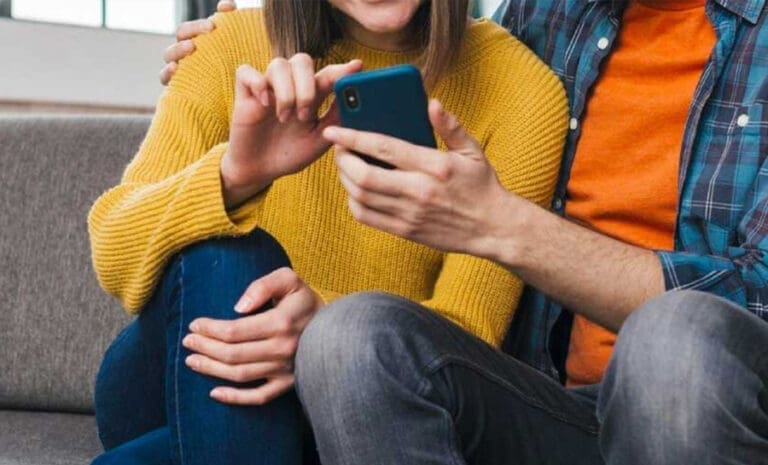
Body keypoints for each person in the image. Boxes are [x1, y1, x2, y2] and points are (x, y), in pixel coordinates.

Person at [164, 0, 768, 464]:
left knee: (672, 338)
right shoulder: (547, 14)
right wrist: (241, 41)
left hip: (715, 408)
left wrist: (503, 227)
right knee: (348, 334)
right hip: (543, 409)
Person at [89, 0, 569, 464]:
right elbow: (113, 244)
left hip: (356, 408)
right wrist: (237, 175)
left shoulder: (522, 92)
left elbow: (469, 340)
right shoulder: (231, 46)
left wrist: (320, 328)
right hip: (170, 375)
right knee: (235, 258)